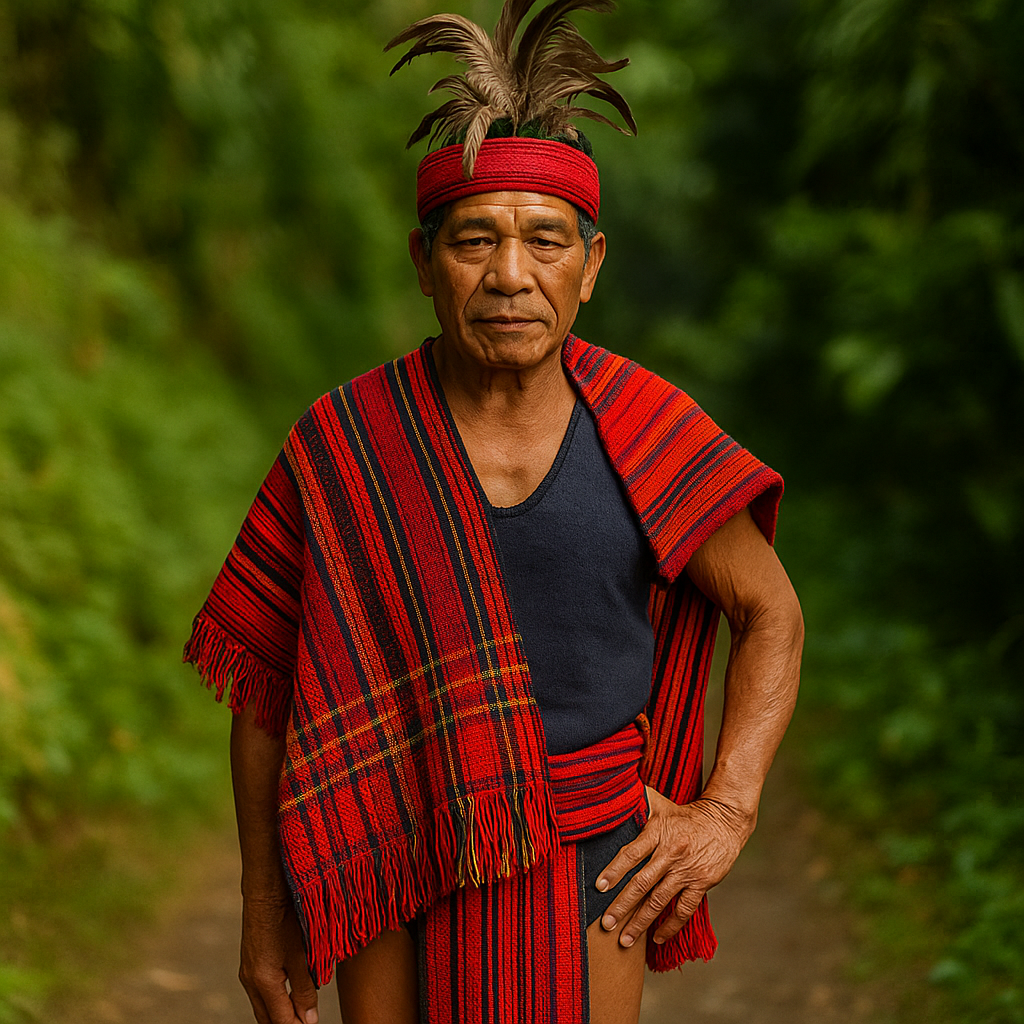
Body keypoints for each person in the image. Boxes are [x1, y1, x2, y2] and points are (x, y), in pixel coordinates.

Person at [183, 2, 804, 1022]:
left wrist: (725, 809)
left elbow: (770, 610)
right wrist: (263, 909)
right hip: (391, 836)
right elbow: (266, 694)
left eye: (544, 242)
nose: (510, 275)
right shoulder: (341, 443)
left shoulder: (648, 429)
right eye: (474, 240)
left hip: (595, 851)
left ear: (589, 268)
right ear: (424, 264)